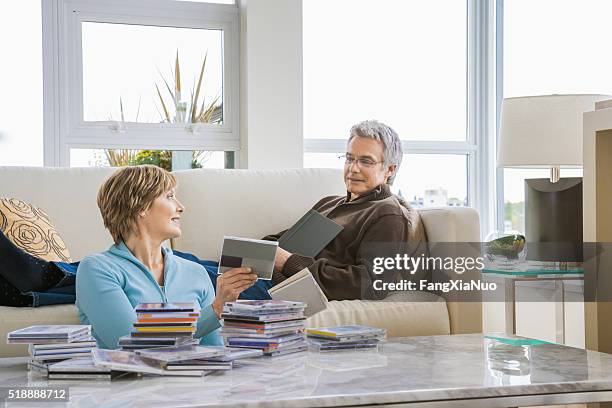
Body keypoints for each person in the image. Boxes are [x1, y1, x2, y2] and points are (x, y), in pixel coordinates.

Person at [76, 165, 257, 349]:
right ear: (140, 206)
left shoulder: (195, 272)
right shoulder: (96, 268)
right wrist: (216, 310)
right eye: (170, 196)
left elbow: (214, 350)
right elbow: (130, 342)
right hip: (130, 377)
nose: (181, 207)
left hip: (192, 377)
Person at [266, 120, 427, 300]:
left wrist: (290, 263)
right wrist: (253, 251)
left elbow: (370, 283)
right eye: (350, 158)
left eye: (366, 161)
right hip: (258, 277)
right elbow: (281, 242)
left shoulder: (388, 215)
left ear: (389, 169)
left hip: (279, 289)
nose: (353, 168)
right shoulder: (328, 203)